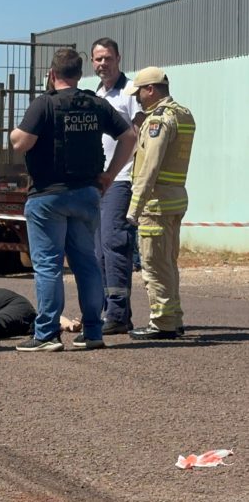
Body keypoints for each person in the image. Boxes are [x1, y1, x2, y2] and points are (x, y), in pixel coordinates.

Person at [10, 47, 136, 352]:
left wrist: (17, 132)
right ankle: (93, 331)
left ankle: (46, 335)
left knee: (49, 265)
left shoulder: (44, 104)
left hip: (47, 196)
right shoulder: (96, 104)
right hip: (87, 194)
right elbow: (130, 136)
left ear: (52, 75)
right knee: (87, 264)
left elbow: (20, 143)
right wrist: (109, 175)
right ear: (80, 74)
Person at [124, 67, 195, 339]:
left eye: (139, 92)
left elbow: (149, 168)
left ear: (150, 89)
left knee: (154, 264)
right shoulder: (182, 113)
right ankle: (173, 318)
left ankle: (163, 322)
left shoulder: (159, 121)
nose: (138, 98)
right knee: (168, 262)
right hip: (175, 199)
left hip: (155, 204)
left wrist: (134, 208)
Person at [91, 38, 145, 335]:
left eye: (108, 58)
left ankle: (119, 314)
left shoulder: (130, 91)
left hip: (121, 179)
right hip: (99, 181)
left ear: (118, 58)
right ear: (91, 62)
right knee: (98, 250)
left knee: (114, 244)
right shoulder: (98, 93)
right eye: (98, 59)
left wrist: (132, 173)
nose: (103, 64)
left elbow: (138, 135)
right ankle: (107, 310)